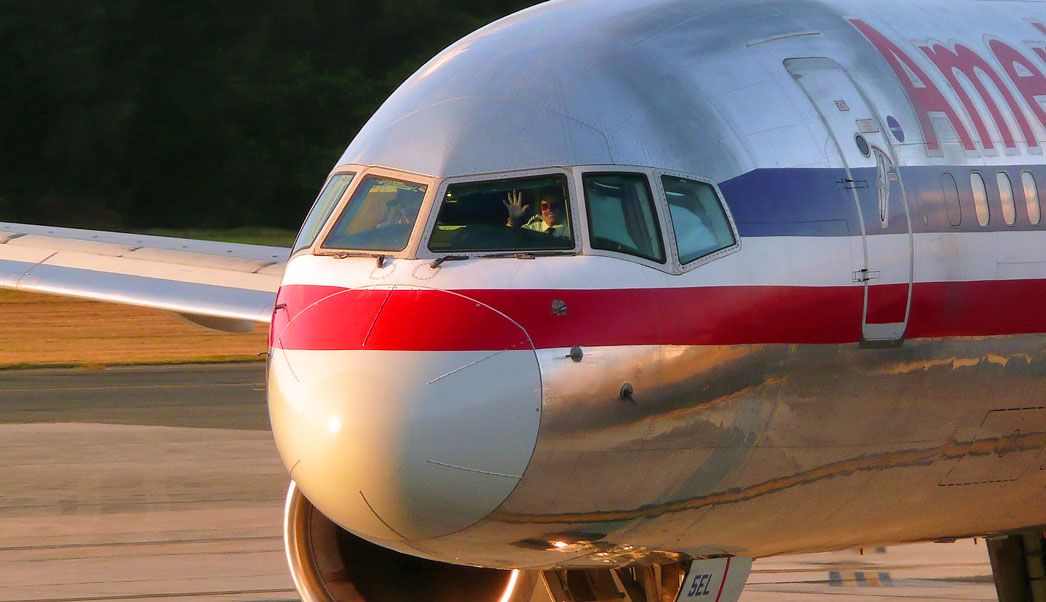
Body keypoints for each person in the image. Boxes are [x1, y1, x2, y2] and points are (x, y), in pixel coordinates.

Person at [503, 190, 570, 237]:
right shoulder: (533, 227)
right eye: (544, 206)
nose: (549, 209)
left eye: (554, 205)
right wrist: (514, 221)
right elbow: (511, 239)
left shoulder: (570, 228)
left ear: (561, 207)